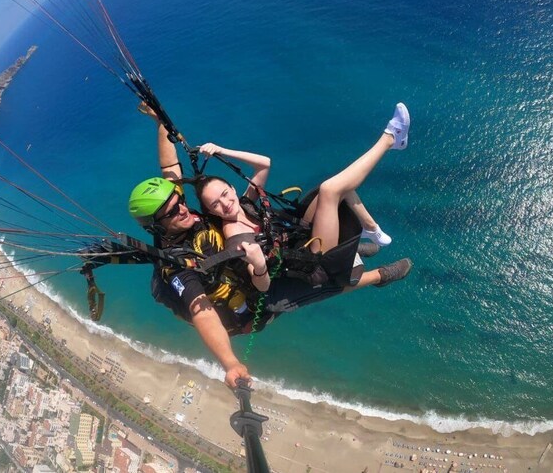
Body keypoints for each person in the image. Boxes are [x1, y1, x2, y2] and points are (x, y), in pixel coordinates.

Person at [128, 105, 412, 388]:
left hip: (277, 256)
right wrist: (230, 363)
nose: (182, 209)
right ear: (158, 224)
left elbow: (170, 170)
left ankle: (359, 242)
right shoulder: (177, 267)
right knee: (332, 274)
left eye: (179, 202)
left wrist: (159, 123)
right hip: (261, 296)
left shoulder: (196, 215)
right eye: (172, 212)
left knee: (329, 192)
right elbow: (202, 312)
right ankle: (379, 275)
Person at [195, 103, 411, 286]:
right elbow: (261, 286)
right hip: (314, 262)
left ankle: (370, 228)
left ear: (232, 188)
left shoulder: (244, 204)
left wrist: (222, 151)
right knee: (331, 189)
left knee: (339, 184)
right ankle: (390, 139)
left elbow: (264, 164)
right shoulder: (235, 240)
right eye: (215, 204)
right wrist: (259, 266)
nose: (225, 204)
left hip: (301, 235)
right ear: (210, 211)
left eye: (225, 193)